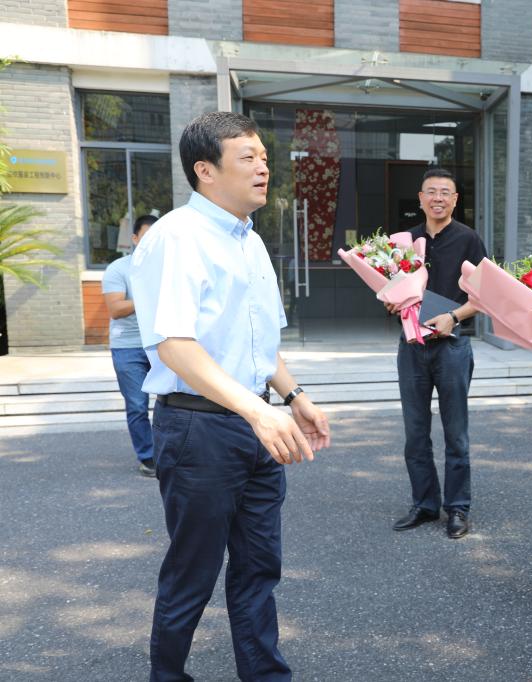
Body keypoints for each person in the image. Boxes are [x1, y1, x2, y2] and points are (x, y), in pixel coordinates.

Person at [130, 111, 331, 682]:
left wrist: (294, 395)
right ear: (206, 170)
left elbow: (258, 341)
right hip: (199, 429)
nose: (264, 168)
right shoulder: (177, 237)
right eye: (248, 158)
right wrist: (257, 410)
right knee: (192, 574)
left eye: (264, 157)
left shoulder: (251, 240)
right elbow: (174, 345)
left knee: (259, 567)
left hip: (257, 422)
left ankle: (265, 675)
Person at [389, 168, 486, 540]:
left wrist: (453, 317)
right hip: (412, 347)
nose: (438, 198)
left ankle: (457, 508)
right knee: (415, 434)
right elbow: (392, 286)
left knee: (456, 434)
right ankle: (425, 504)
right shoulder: (404, 241)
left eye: (446, 192)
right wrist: (391, 301)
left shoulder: (469, 239)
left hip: (452, 347)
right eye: (431, 191)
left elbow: (486, 295)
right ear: (421, 198)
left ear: (455, 199)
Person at [102, 214, 158, 477]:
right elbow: (115, 309)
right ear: (134, 238)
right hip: (128, 347)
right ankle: (148, 457)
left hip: (162, 343)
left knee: (174, 402)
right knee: (137, 405)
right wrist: (150, 297)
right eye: (146, 237)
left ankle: (169, 450)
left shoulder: (169, 268)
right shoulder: (118, 269)